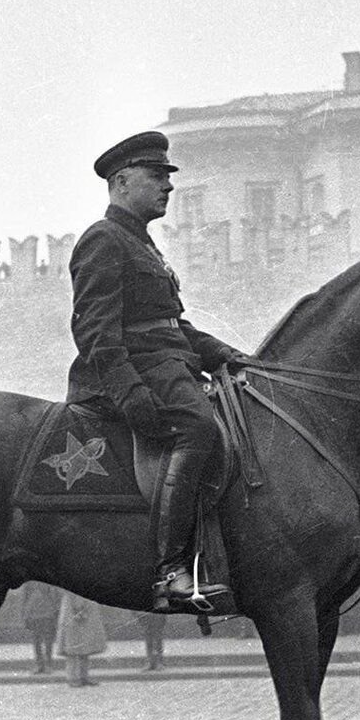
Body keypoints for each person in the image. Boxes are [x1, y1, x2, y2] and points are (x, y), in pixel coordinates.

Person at [66, 131, 247, 612]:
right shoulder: (103, 240)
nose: (168, 187)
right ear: (122, 182)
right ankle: (171, 569)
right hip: (137, 374)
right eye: (156, 177)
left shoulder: (143, 246)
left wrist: (227, 353)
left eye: (168, 178)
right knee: (197, 428)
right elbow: (96, 331)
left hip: (166, 366)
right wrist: (129, 392)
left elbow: (172, 327)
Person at [56, 591, 107, 687]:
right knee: (72, 649)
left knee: (85, 648)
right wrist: (79, 611)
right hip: (73, 616)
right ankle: (72, 678)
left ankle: (83, 676)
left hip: (85, 617)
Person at [15, 581, 62, 674]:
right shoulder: (29, 582)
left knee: (48, 640)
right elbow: (24, 598)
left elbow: (56, 596)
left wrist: (56, 612)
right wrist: (24, 615)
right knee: (36, 640)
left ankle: (48, 664)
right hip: (33, 613)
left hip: (48, 613)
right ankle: (39, 664)